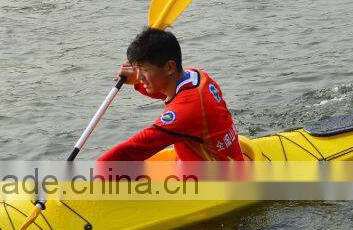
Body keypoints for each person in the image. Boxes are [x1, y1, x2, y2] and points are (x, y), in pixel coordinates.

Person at [98, 28, 244, 162]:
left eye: (144, 70)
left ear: (169, 67)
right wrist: (139, 81)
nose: (139, 76)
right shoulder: (198, 76)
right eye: (138, 68)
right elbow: (171, 95)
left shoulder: (185, 112)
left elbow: (132, 150)